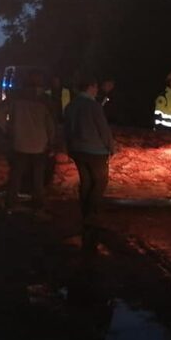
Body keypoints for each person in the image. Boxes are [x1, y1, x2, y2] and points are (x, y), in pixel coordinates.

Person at [64, 76, 116, 252]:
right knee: (100, 182)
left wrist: (70, 147)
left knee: (86, 182)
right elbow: (103, 128)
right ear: (91, 87)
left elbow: (68, 129)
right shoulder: (93, 106)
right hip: (96, 150)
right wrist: (111, 147)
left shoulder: (71, 106)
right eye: (95, 87)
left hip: (78, 150)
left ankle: (85, 214)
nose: (97, 90)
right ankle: (91, 215)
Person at [0, 72, 56, 216]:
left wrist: (8, 130)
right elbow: (50, 125)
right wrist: (51, 142)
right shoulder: (45, 100)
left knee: (16, 175)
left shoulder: (14, 98)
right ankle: (38, 205)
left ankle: (11, 203)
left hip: (19, 143)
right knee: (38, 176)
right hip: (40, 145)